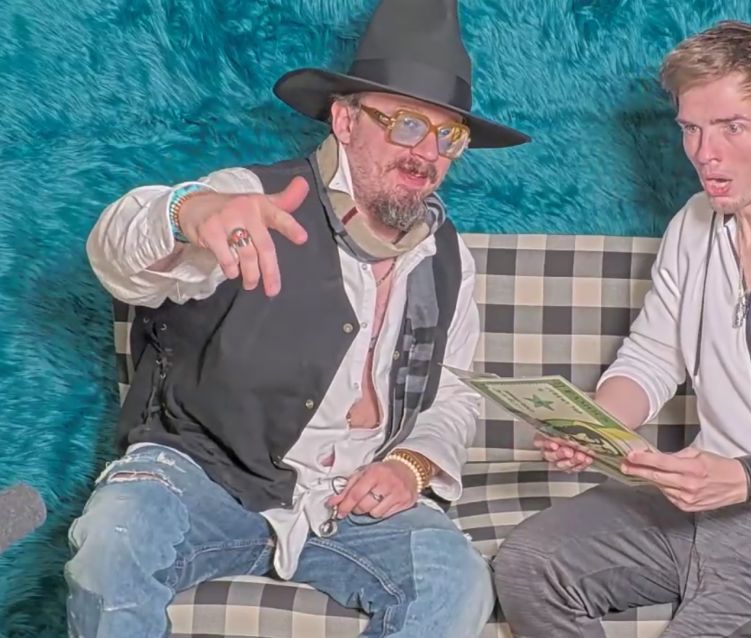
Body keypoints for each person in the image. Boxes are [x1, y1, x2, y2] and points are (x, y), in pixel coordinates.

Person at [65, 1, 529, 637]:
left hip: (348, 498)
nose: (428, 153)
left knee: (460, 583)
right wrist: (189, 213)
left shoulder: (449, 258)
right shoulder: (248, 198)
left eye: (449, 136)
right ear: (344, 119)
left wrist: (411, 465)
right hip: (202, 475)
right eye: (406, 124)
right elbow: (116, 253)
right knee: (112, 546)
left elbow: (451, 393)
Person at [494, 20, 751, 638]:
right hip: (695, 504)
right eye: (691, 128)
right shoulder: (695, 222)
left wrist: (746, 477)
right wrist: (594, 424)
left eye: (731, 127)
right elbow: (652, 356)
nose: (704, 153)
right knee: (529, 563)